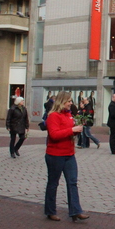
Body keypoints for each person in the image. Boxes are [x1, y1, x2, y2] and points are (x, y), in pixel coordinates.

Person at [44, 91, 89, 222]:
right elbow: (54, 135)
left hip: (69, 154)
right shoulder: (53, 116)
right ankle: (50, 211)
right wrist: (72, 130)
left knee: (72, 182)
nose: (71, 103)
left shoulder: (69, 115)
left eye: (71, 101)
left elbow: (68, 132)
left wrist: (76, 131)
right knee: (53, 183)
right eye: (68, 101)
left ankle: (75, 211)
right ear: (62, 101)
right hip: (55, 155)